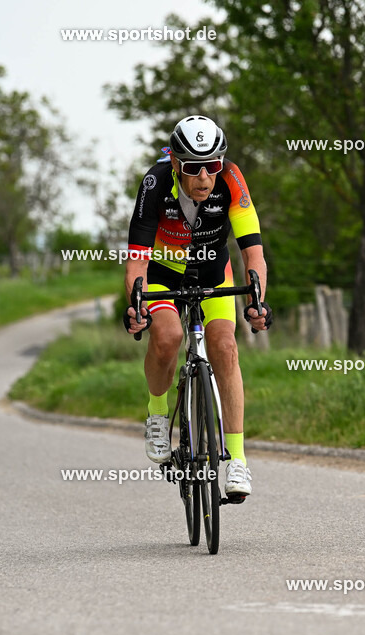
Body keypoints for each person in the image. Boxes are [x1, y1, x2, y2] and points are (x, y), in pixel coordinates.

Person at [123, 115, 272, 498]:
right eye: (193, 168)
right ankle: (158, 414)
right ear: (175, 163)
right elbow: (137, 260)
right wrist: (136, 305)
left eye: (213, 165)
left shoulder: (232, 181)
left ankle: (237, 460)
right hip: (164, 274)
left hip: (213, 272)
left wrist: (257, 301)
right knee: (168, 337)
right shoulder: (155, 183)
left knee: (225, 347)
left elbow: (253, 253)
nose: (205, 177)